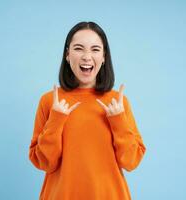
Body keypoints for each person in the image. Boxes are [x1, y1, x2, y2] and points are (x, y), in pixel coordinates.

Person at [29, 21, 146, 200]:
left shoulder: (118, 103)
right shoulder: (49, 101)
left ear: (104, 56)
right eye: (78, 48)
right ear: (67, 54)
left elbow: (131, 162)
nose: (86, 56)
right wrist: (56, 120)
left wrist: (119, 121)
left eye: (95, 49)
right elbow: (44, 163)